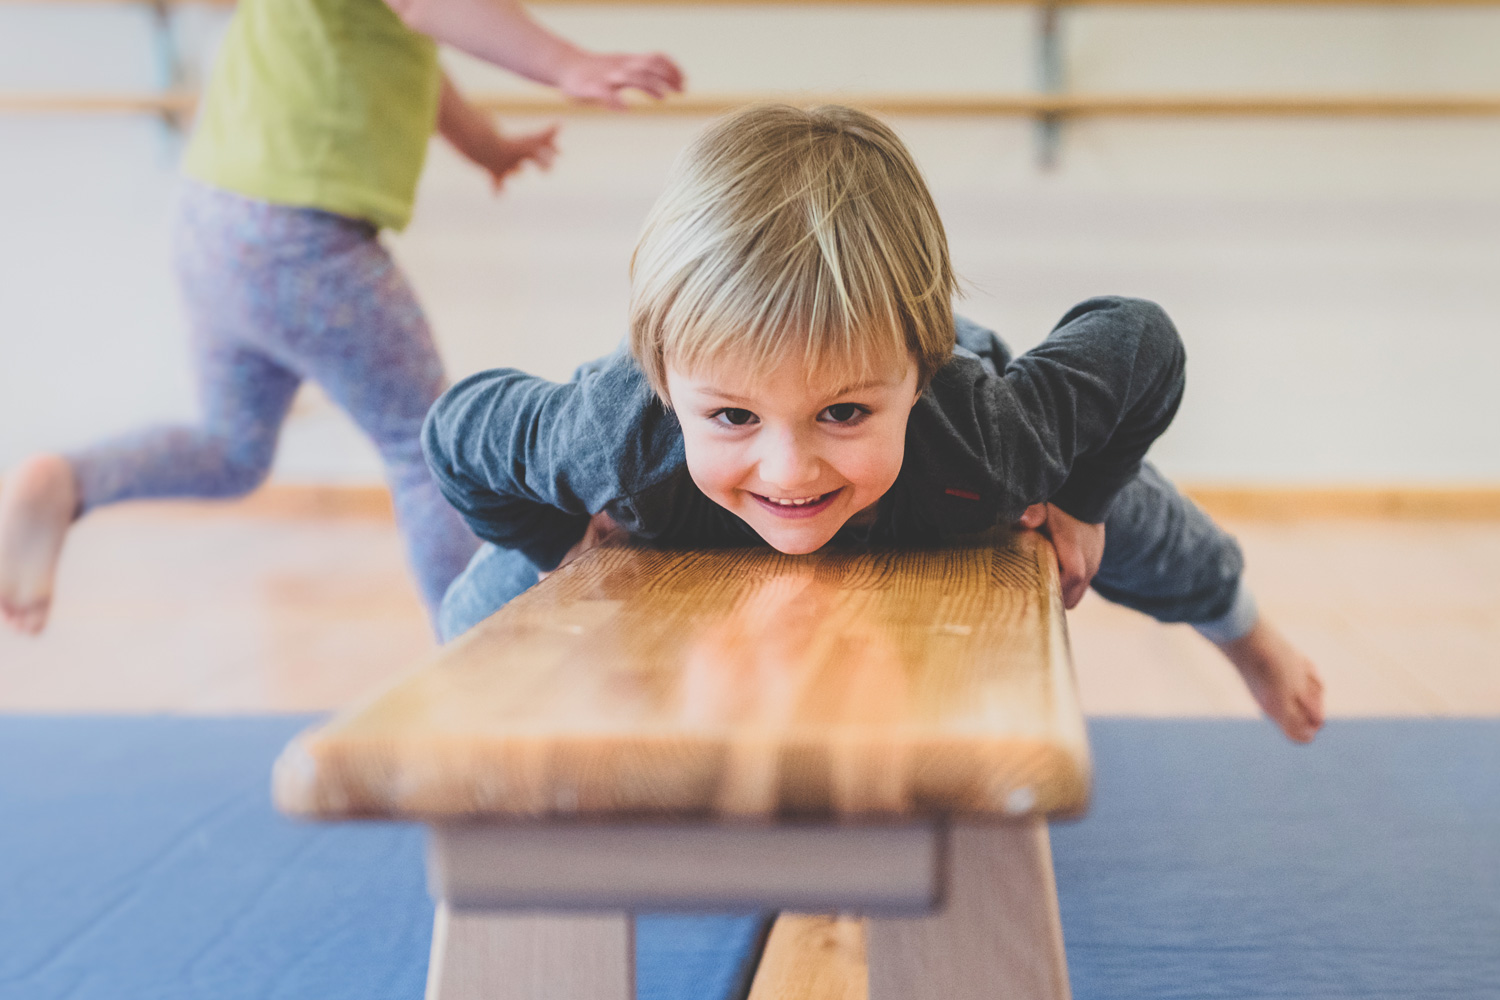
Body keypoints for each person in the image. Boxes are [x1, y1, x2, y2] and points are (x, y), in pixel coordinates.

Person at [422, 103, 1325, 744]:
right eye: (736, 417)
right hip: (671, 448)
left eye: (842, 414)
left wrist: (1084, 499)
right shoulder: (613, 437)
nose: (789, 470)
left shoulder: (986, 435)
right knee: (495, 605)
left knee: (1125, 520)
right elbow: (455, 434)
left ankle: (1247, 633)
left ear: (915, 379)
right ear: (667, 385)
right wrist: (556, 546)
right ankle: (440, 697)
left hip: (950, 415)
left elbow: (1144, 341)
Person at [0, 0, 684, 635]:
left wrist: (484, 146)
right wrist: (568, 64)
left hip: (210, 221)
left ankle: (68, 481)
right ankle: (470, 650)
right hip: (300, 238)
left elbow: (409, 37)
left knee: (232, 448)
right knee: (428, 448)